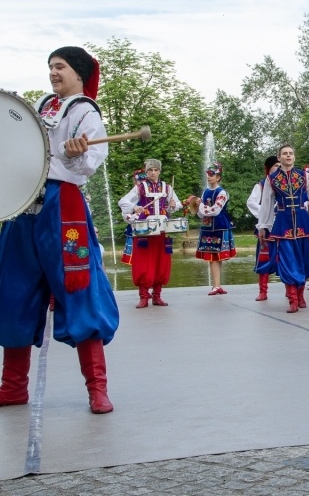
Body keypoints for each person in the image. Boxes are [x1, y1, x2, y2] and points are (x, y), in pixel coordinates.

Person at [0, 46, 117, 414]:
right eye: (50, 66)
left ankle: (97, 389)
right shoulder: (41, 106)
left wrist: (74, 152)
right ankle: (13, 387)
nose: (53, 72)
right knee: (13, 292)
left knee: (79, 289)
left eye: (60, 66)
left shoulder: (85, 112)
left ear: (78, 72)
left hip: (62, 210)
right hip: (24, 209)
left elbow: (87, 166)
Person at [257, 145, 309, 313]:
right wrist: (263, 225)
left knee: (305, 261)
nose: (288, 156)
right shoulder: (272, 179)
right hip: (283, 222)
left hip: (302, 221)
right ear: (279, 157)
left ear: (294, 156)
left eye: (291, 153)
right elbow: (267, 204)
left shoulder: (304, 176)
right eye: (285, 153)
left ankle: (300, 294)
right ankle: (292, 298)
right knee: (287, 261)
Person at [118, 158, 181, 308]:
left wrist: (172, 205)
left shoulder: (166, 187)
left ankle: (157, 296)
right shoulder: (140, 187)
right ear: (146, 172)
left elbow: (176, 204)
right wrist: (134, 207)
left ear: (160, 171)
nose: (153, 173)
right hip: (144, 230)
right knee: (143, 262)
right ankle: (144, 296)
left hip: (162, 230)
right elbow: (123, 201)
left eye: (156, 170)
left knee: (161, 261)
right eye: (150, 170)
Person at [195, 162, 237, 295]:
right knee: (212, 257)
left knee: (216, 256)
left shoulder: (222, 192)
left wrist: (201, 207)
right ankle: (216, 285)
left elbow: (216, 210)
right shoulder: (205, 191)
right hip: (208, 227)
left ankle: (217, 285)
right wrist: (199, 207)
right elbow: (200, 213)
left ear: (218, 177)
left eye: (212, 174)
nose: (209, 177)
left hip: (219, 226)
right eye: (208, 174)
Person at [247, 156, 280, 301]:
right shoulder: (260, 185)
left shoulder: (285, 183)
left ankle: (289, 289)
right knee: (264, 258)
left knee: (285, 258)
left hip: (283, 227)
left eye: (280, 166)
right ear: (268, 168)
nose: (278, 168)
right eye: (275, 166)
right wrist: (266, 213)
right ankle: (263, 291)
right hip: (266, 228)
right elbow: (252, 202)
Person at [120, 168, 146, 265]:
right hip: (138, 229)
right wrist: (133, 210)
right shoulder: (136, 191)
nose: (142, 183)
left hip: (151, 226)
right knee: (137, 260)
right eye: (140, 181)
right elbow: (124, 207)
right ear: (136, 181)